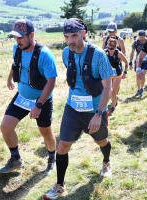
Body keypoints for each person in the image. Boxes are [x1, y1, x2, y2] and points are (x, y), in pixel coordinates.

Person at [43, 18, 114, 200]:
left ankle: (106, 162)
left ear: (84, 33)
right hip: (72, 108)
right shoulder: (66, 53)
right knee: (63, 146)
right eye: (67, 36)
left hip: (95, 110)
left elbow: (108, 87)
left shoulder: (98, 55)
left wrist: (99, 114)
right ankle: (60, 185)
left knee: (102, 141)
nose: (70, 40)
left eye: (74, 35)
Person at [0, 19, 57, 175]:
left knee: (46, 133)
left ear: (31, 35)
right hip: (22, 97)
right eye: (15, 37)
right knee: (5, 127)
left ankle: (52, 158)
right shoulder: (17, 48)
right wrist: (9, 78)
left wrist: (39, 105)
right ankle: (16, 159)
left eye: (21, 37)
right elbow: (15, 64)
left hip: (41, 99)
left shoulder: (44, 54)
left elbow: (51, 82)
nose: (18, 41)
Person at [105, 36, 129, 114]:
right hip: (108, 74)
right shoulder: (105, 52)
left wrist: (125, 72)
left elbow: (126, 63)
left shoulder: (119, 53)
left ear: (115, 47)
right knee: (108, 91)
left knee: (113, 92)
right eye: (109, 48)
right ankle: (114, 100)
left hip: (117, 74)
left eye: (112, 49)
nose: (110, 50)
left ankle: (113, 107)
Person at [129, 30, 147, 97]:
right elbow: (132, 52)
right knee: (138, 75)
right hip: (138, 61)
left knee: (143, 74)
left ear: (145, 36)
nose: (141, 38)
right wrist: (130, 62)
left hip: (146, 61)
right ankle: (138, 89)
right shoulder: (136, 42)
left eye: (142, 37)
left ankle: (142, 88)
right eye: (140, 37)